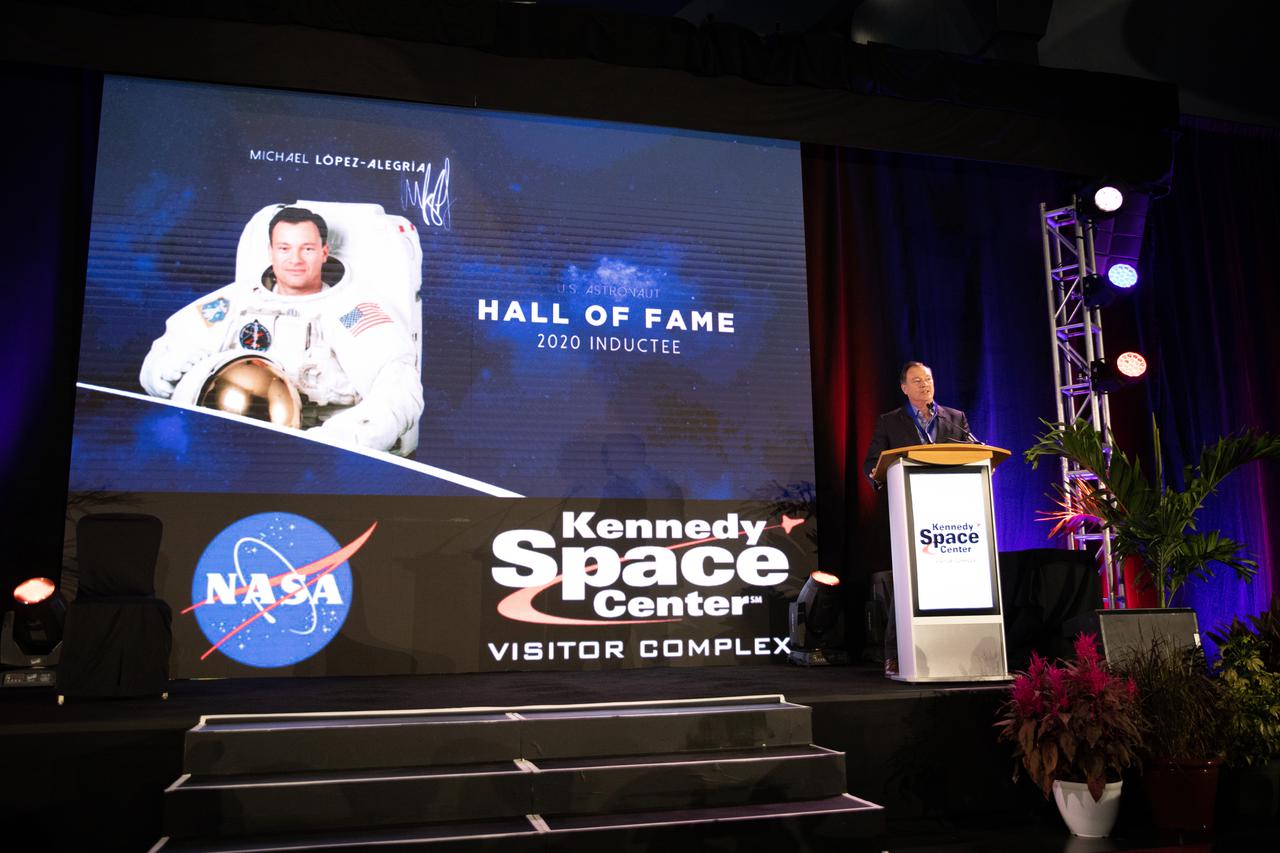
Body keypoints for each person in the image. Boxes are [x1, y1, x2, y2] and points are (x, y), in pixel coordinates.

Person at [139, 206, 423, 455]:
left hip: (320, 452)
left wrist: (336, 442)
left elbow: (399, 389)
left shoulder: (350, 310)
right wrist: (161, 375)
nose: (295, 259)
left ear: (324, 253)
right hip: (225, 448)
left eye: (307, 249)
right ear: (270, 252)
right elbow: (164, 357)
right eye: (284, 248)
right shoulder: (237, 301)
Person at [861, 361, 977, 676]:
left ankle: (954, 651)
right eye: (917, 380)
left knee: (952, 583)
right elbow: (872, 462)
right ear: (904, 387)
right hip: (910, 513)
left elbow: (973, 452)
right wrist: (878, 476)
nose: (924, 385)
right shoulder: (890, 422)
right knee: (907, 585)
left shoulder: (955, 418)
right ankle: (894, 654)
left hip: (952, 516)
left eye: (928, 379)